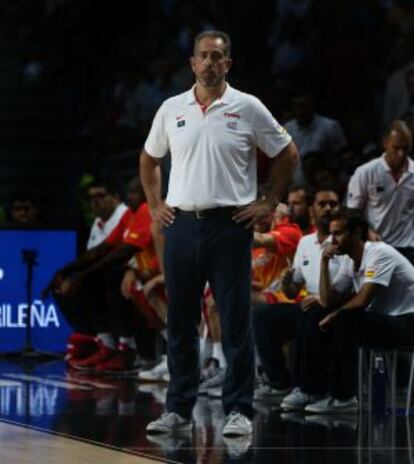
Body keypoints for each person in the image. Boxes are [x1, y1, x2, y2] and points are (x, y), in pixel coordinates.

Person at [140, 30, 298, 437]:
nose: (209, 63)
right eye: (203, 56)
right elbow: (148, 159)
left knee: (234, 321)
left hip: (230, 225)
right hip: (181, 225)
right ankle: (177, 409)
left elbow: (288, 153)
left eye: (217, 56)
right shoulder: (171, 108)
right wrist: (156, 205)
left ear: (228, 63)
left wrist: (267, 201)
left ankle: (238, 410)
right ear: (192, 63)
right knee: (181, 323)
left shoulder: (247, 106)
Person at [297, 209, 414, 414]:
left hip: (407, 321)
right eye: (331, 234)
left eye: (338, 234)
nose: (332, 240)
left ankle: (344, 397)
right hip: (385, 320)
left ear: (357, 233)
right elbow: (327, 300)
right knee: (316, 313)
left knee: (345, 318)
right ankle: (313, 389)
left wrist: (334, 314)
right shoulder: (349, 259)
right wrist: (324, 263)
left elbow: (362, 301)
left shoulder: (379, 253)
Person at [252, 187, 352, 406]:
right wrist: (288, 280)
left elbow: (344, 289)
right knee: (262, 316)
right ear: (311, 211)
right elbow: (292, 291)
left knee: (312, 313)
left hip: (338, 305)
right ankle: (280, 383)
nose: (328, 208)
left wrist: (320, 299)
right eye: (322, 204)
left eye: (333, 204)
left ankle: (310, 389)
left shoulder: (346, 240)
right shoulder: (305, 243)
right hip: (309, 303)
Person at [346, 120, 414, 263]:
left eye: (406, 148)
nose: (401, 154)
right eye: (396, 148)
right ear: (385, 143)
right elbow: (352, 211)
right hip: (377, 246)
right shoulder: (365, 173)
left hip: (409, 248)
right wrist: (367, 231)